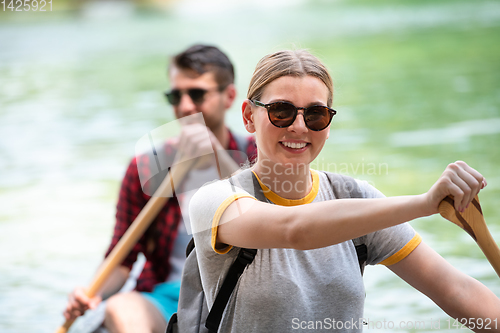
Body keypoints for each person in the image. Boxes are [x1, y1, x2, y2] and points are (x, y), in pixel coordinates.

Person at [189, 49, 500, 333]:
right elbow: (295, 230)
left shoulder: (355, 199)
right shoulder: (215, 201)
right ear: (248, 116)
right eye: (281, 111)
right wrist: (426, 203)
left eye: (315, 115)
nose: (299, 126)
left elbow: (455, 290)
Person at [63, 44, 257, 333]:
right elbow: (122, 257)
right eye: (176, 95)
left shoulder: (256, 155)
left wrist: (219, 161)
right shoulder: (145, 168)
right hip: (169, 297)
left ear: (229, 96)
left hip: (239, 294)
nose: (185, 106)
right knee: (120, 309)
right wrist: (91, 294)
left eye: (197, 94)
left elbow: (273, 235)